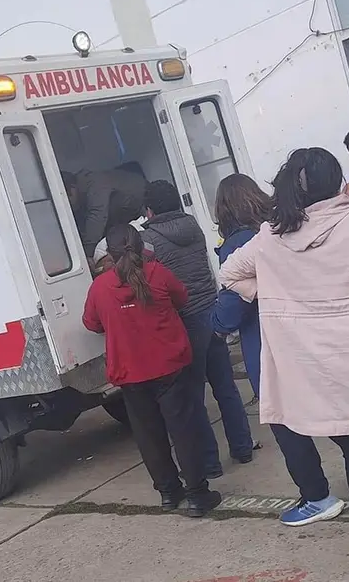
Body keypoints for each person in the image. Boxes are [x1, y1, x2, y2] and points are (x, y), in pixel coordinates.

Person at [219, 147, 349, 578]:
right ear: (337, 181)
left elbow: (229, 274)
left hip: (324, 376)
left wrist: (277, 294)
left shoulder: (269, 240)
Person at [211, 172, 346, 527]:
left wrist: (215, 320)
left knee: (287, 424)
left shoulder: (238, 246)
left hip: (268, 348)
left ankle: (317, 497)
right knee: (335, 414)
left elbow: (229, 311)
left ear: (223, 208)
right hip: (306, 337)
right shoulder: (282, 229)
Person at [83, 224, 222, 517]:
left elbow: (91, 323)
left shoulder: (100, 287)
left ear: (109, 254)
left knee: (149, 436)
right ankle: (198, 495)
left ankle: (169, 493)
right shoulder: (158, 273)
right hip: (169, 365)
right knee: (183, 430)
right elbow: (181, 298)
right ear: (140, 246)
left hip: (129, 372)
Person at [142, 180, 257, 477]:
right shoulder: (192, 225)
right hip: (211, 310)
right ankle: (243, 447)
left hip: (184, 319)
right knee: (225, 386)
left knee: (194, 397)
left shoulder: (148, 240)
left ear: (149, 211)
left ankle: (209, 463)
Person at [61, 167, 146, 261]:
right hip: (129, 211)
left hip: (143, 203)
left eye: (69, 201)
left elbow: (97, 217)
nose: (70, 207)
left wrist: (88, 255)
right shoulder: (85, 191)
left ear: (73, 188)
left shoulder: (96, 184)